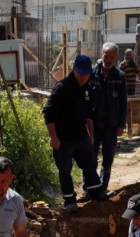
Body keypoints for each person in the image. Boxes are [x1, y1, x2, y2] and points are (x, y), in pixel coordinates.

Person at [43, 55, 109, 213]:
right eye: (80, 73)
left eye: (86, 74)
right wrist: (53, 137)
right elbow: (48, 113)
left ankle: (96, 193)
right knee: (65, 170)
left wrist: (91, 135)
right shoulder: (62, 88)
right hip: (63, 139)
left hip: (81, 137)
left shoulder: (88, 88)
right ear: (74, 70)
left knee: (90, 165)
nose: (83, 77)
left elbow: (89, 115)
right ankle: (69, 200)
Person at [80, 42, 126, 201]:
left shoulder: (120, 76)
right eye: (106, 56)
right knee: (89, 157)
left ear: (115, 58)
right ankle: (88, 189)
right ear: (102, 54)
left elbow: (123, 102)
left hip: (111, 124)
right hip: (93, 123)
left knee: (107, 158)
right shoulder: (92, 73)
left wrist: (121, 125)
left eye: (112, 57)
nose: (109, 59)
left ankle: (102, 189)